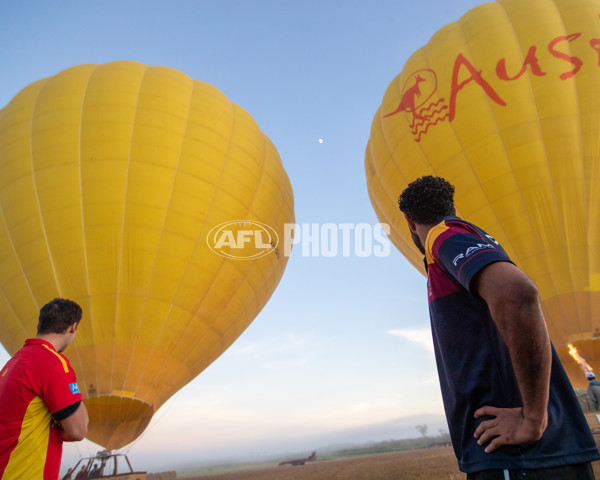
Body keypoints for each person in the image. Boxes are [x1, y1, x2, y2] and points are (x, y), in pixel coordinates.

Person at [398, 176, 600, 479]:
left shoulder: (445, 234)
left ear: (409, 221)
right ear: (453, 206)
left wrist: (532, 418)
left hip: (518, 456)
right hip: (532, 452)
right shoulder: (464, 242)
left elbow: (517, 292)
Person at [0, 298, 89, 480]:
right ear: (73, 327)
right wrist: (65, 419)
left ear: (39, 324)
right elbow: (78, 430)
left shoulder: (12, 363)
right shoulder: (52, 362)